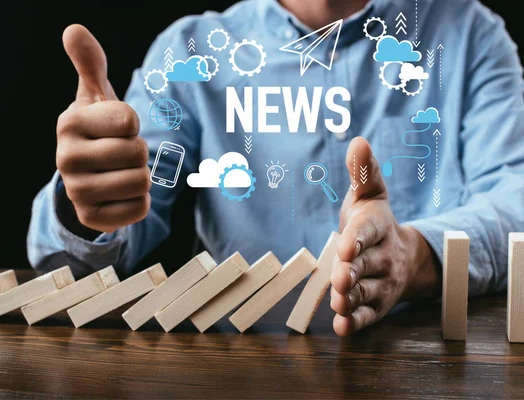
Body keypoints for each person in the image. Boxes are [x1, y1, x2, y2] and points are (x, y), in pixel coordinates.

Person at [27, 0, 524, 336]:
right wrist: (86, 205)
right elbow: (84, 256)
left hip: (432, 372)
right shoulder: (193, 51)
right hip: (238, 376)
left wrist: (412, 255)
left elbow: (516, 202)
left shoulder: (470, 33)